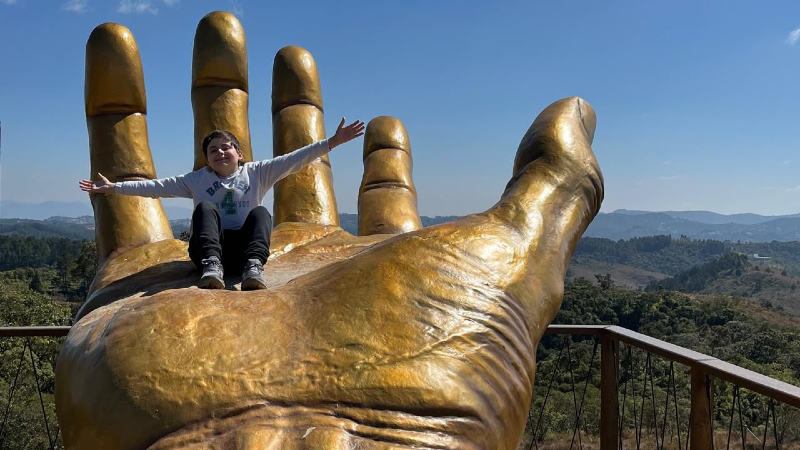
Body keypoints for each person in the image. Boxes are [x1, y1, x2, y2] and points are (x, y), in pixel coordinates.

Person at [80, 118, 365, 290]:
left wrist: (333, 142)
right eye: (212, 150)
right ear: (207, 159)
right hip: (206, 254)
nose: (219, 152)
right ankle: (212, 266)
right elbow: (155, 186)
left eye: (225, 147)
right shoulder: (197, 180)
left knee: (261, 213)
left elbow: (295, 159)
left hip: (243, 252)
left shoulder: (258, 172)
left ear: (239, 153)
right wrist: (114, 187)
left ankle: (254, 267)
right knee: (204, 209)